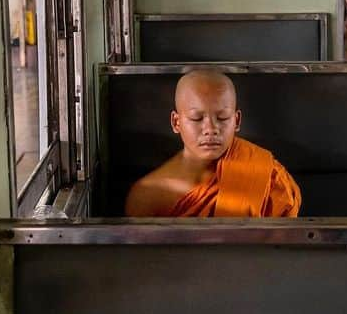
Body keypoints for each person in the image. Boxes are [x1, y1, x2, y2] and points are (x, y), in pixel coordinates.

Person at [124, 69, 302, 217]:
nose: (210, 128)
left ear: (237, 121)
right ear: (176, 122)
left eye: (222, 117)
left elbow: (283, 252)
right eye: (197, 118)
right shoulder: (147, 195)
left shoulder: (268, 175)